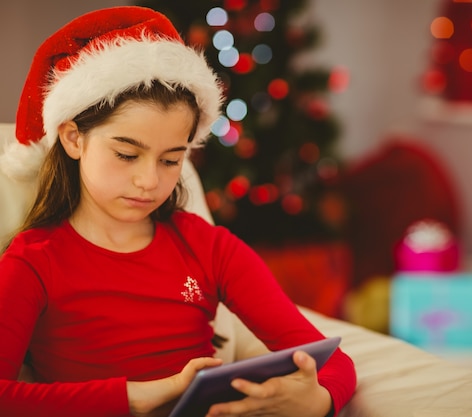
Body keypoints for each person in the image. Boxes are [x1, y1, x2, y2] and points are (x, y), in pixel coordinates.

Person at [0, 6, 356, 417]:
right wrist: (137, 395)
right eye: (127, 154)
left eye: (171, 160)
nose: (149, 181)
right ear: (74, 139)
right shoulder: (33, 261)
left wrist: (319, 399)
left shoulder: (208, 246)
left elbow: (330, 360)